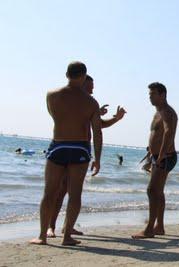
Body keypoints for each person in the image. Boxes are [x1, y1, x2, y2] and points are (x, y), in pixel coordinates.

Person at [30, 62, 103, 246]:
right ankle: (66, 236)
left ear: (66, 74)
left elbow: (54, 116)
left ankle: (42, 236)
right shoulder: (91, 102)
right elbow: (97, 132)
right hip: (80, 147)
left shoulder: (52, 95)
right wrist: (98, 159)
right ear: (84, 76)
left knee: (49, 193)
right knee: (75, 194)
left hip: (59, 145)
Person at [46, 74, 126, 238]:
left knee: (71, 192)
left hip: (79, 150)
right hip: (69, 149)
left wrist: (115, 118)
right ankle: (51, 227)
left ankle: (68, 227)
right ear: (82, 83)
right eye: (90, 85)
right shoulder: (76, 101)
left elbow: (99, 126)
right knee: (61, 191)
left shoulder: (89, 103)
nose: (93, 89)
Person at [132, 82, 178, 239]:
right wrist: (151, 153)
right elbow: (157, 134)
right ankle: (160, 226)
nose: (150, 97)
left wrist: (161, 155)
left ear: (162, 94)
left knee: (152, 190)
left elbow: (168, 132)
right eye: (149, 94)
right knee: (158, 192)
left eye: (153, 94)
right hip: (157, 156)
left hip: (165, 157)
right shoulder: (157, 112)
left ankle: (149, 229)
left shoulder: (166, 112)